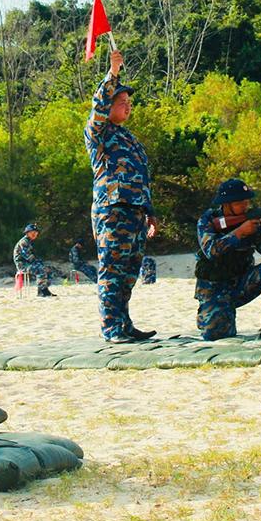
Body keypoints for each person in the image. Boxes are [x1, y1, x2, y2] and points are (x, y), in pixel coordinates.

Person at [83, 49, 156, 342]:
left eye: (129, 103)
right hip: (112, 210)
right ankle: (111, 328)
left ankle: (124, 325)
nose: (127, 107)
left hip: (135, 212)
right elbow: (99, 105)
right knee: (112, 271)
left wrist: (151, 212)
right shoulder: (97, 132)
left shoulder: (130, 139)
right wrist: (113, 73)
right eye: (121, 102)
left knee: (128, 274)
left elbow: (141, 177)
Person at [193, 179, 261, 341]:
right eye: (240, 203)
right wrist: (239, 232)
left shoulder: (252, 221)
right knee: (217, 335)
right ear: (226, 204)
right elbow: (211, 251)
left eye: (247, 201)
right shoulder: (208, 220)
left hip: (241, 285)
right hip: (214, 290)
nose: (245, 206)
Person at [13, 224, 63, 298]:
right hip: (22, 265)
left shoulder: (29, 241)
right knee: (40, 269)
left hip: (29, 263)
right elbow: (28, 257)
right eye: (32, 232)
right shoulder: (24, 242)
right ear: (27, 233)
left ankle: (43, 290)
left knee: (49, 269)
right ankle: (43, 291)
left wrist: (41, 264)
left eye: (36, 232)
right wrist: (40, 264)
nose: (34, 234)